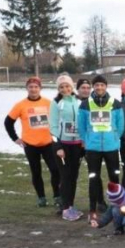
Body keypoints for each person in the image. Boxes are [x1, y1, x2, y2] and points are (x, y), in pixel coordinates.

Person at [4, 77, 60, 208]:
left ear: (40, 88)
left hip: (48, 143)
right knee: (36, 172)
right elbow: (8, 122)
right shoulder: (20, 105)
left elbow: (58, 120)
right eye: (31, 87)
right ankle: (41, 198)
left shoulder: (49, 103)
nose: (33, 89)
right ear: (27, 89)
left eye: (36, 87)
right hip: (30, 145)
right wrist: (15, 138)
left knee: (55, 170)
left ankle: (57, 196)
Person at [78, 75, 124, 221]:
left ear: (106, 86)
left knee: (114, 177)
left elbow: (121, 125)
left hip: (111, 147)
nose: (99, 88)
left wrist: (116, 137)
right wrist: (86, 140)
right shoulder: (85, 104)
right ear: (93, 87)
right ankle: (93, 209)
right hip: (93, 148)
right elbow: (81, 126)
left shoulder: (115, 103)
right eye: (96, 85)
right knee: (93, 178)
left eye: (102, 85)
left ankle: (117, 206)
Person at [50, 74, 84, 221]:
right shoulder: (56, 103)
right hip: (63, 145)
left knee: (74, 176)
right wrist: (57, 146)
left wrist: (84, 140)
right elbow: (52, 126)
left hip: (77, 145)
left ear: (72, 86)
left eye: (67, 86)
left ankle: (70, 205)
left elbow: (84, 122)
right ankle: (65, 208)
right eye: (62, 87)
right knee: (65, 176)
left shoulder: (79, 101)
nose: (65, 89)